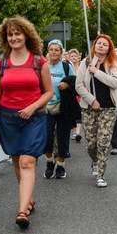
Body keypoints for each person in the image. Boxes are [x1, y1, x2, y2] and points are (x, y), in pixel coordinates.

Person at [0, 16, 53, 229]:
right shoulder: (1, 61)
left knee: (27, 161)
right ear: (5, 38)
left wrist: (33, 106)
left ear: (26, 35)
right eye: (10, 34)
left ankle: (22, 210)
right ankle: (28, 199)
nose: (14, 37)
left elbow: (49, 92)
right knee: (16, 160)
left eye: (18, 33)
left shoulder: (38, 61)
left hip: (34, 118)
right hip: (8, 119)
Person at [76, 34, 117, 188]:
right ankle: (94, 160)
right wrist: (92, 100)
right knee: (91, 143)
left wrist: (97, 72)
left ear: (109, 48)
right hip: (90, 108)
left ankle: (101, 175)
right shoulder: (86, 62)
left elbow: (115, 83)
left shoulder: (112, 63)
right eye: (99, 43)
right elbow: (79, 85)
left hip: (108, 108)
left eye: (105, 44)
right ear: (94, 46)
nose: (101, 46)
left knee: (103, 142)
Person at [43, 39, 75, 179]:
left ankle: (61, 165)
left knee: (63, 137)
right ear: (48, 51)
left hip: (63, 107)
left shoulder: (66, 67)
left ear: (61, 53)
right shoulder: (43, 66)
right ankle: (50, 162)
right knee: (46, 137)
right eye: (51, 50)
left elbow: (75, 82)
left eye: (57, 50)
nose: (54, 52)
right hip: (46, 107)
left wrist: (67, 85)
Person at [68, 48, 83, 142]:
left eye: (75, 56)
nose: (74, 58)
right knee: (72, 112)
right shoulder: (67, 67)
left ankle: (77, 132)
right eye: (72, 56)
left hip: (80, 93)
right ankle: (74, 131)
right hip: (71, 93)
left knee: (79, 112)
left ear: (78, 57)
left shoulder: (82, 66)